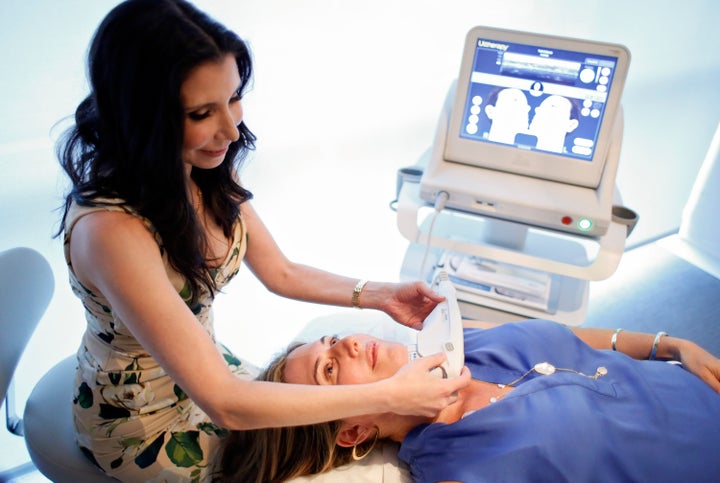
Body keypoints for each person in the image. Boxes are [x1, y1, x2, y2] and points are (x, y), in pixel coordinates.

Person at [55, 0, 470, 480]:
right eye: (202, 112)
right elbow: (228, 405)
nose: (231, 130)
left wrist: (380, 295)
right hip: (145, 424)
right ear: (144, 118)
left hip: (207, 369)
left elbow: (281, 272)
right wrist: (390, 396)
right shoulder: (111, 232)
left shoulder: (198, 163)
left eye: (233, 98)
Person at [221, 320, 720, 482]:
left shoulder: (463, 345)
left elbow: (588, 340)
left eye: (331, 340)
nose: (347, 344)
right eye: (329, 371)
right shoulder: (459, 467)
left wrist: (671, 346)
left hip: (697, 380)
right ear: (352, 432)